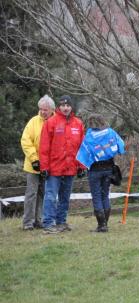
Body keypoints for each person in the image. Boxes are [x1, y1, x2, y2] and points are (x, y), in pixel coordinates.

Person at [39, 95, 85, 234]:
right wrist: (44, 167)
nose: (65, 108)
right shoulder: (51, 122)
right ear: (59, 107)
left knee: (65, 197)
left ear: (71, 107)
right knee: (51, 196)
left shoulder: (78, 124)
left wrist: (81, 166)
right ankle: (48, 223)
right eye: (63, 105)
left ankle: (61, 222)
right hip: (54, 168)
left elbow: (82, 148)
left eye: (68, 105)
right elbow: (44, 147)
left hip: (70, 168)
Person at [76, 114, 125, 232]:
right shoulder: (111, 132)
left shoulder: (88, 136)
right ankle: (105, 224)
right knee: (105, 196)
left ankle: (101, 225)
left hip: (94, 170)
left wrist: (81, 167)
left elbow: (83, 154)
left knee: (97, 197)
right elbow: (121, 145)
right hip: (108, 168)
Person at [20, 95, 55, 230]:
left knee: (44, 193)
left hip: (49, 165)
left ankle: (39, 219)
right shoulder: (33, 121)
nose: (42, 112)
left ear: (51, 109)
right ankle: (28, 222)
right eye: (40, 109)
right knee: (31, 193)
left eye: (45, 109)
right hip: (32, 165)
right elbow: (26, 141)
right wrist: (34, 159)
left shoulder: (56, 121)